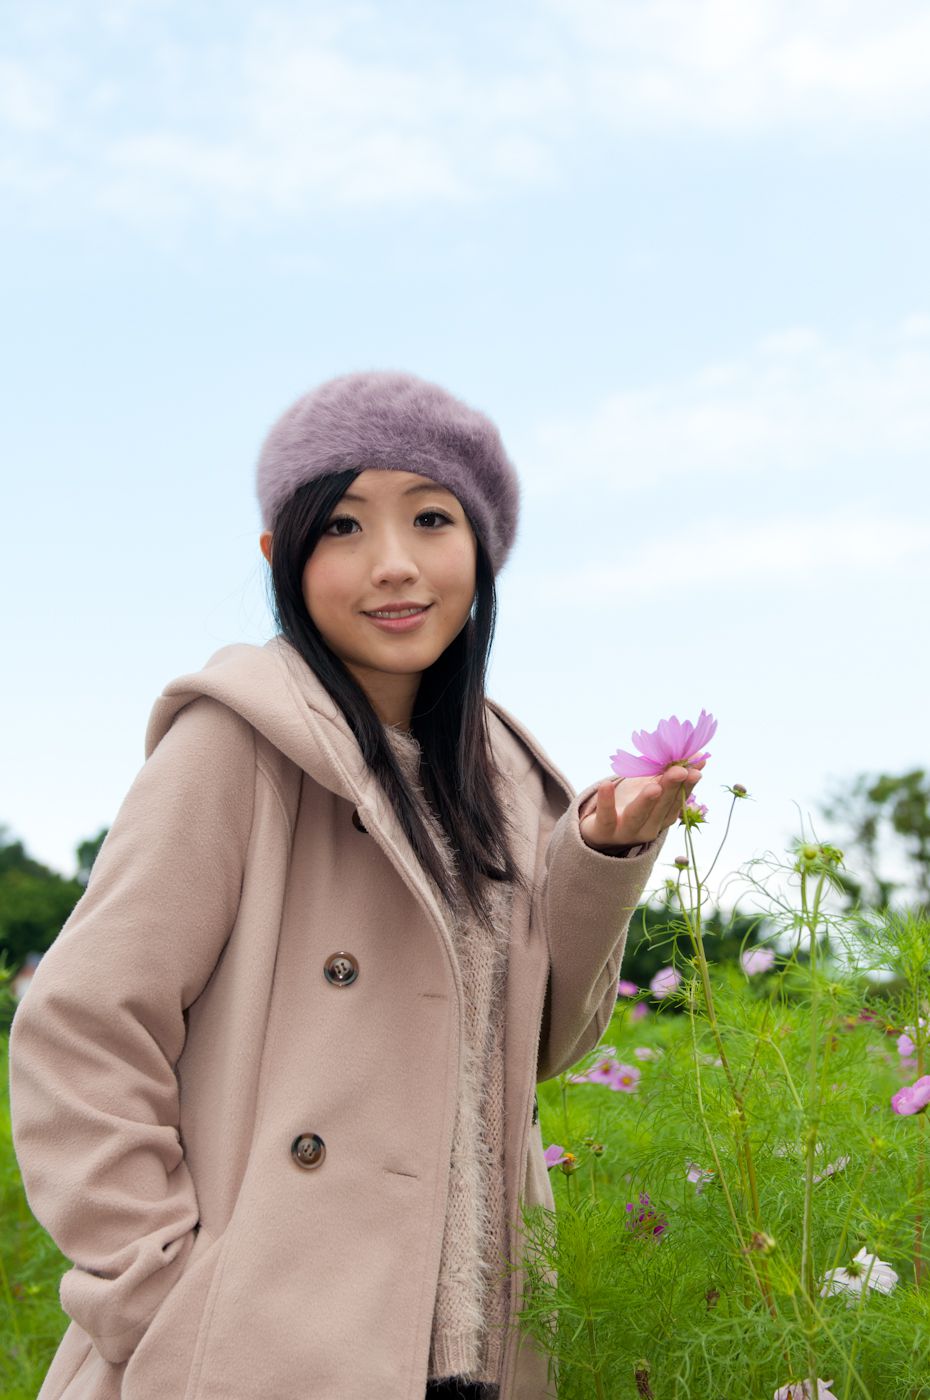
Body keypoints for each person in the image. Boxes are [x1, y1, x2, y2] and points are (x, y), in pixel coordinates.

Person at [8, 370, 705, 1400]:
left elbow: (543, 1043)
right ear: (278, 558)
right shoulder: (232, 746)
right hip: (260, 1354)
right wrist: (162, 1293)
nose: (393, 564)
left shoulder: (501, 774)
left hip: (471, 1351)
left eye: (431, 517)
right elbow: (81, 1028)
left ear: (482, 547)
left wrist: (601, 856)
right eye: (341, 525)